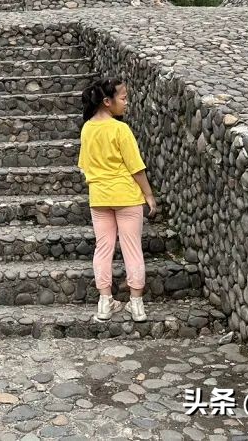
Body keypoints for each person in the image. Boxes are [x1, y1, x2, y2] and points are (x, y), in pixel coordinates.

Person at [78, 78, 158, 322]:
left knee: (103, 249)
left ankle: (105, 303)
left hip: (99, 198)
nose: (126, 102)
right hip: (126, 196)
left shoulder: (87, 129)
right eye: (123, 98)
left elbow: (83, 166)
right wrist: (148, 194)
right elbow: (136, 167)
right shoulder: (120, 129)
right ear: (107, 101)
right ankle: (136, 305)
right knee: (132, 250)